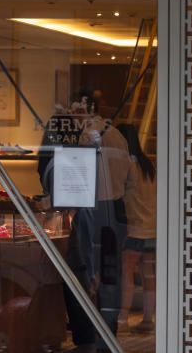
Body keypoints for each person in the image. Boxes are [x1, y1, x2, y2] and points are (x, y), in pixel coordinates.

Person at [54, 90, 135, 351]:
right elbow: (129, 177)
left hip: (94, 207)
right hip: (116, 207)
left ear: (83, 109)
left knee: (85, 269)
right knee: (109, 269)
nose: (70, 115)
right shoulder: (118, 135)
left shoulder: (88, 134)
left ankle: (91, 331)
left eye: (73, 109)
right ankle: (107, 328)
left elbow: (78, 176)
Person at [117, 123, 156, 334]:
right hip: (152, 229)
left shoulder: (127, 166)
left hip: (133, 229)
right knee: (148, 273)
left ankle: (123, 318)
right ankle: (148, 318)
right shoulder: (149, 165)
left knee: (127, 272)